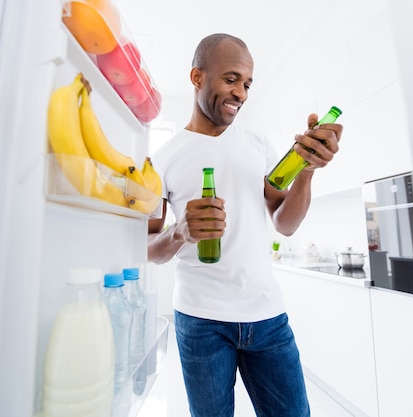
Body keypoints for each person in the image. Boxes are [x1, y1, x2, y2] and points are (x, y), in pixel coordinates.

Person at [147, 33, 343, 417]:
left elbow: (284, 224)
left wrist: (306, 171)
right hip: (200, 321)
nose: (242, 93)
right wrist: (180, 232)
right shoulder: (162, 160)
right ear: (197, 77)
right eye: (231, 79)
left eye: (248, 84)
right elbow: (148, 248)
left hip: (267, 317)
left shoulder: (259, 146)